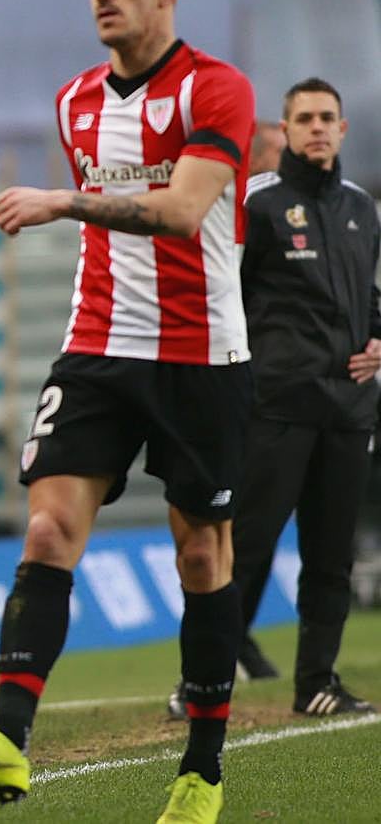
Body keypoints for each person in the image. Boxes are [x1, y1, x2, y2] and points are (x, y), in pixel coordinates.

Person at [0, 0, 254, 822]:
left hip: (201, 357)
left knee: (199, 555)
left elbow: (187, 213)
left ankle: (202, 771)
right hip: (99, 348)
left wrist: (61, 200)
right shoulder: (75, 100)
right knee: (46, 533)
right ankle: (7, 739)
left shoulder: (213, 87)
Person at [185, 78, 376, 715]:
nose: (318, 128)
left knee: (331, 559)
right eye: (306, 119)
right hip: (276, 407)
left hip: (348, 410)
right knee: (247, 548)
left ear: (342, 129)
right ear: (286, 131)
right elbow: (221, 292)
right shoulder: (257, 203)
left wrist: (379, 339)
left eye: (328, 117)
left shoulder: (361, 207)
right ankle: (201, 683)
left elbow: (368, 300)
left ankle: (316, 683)